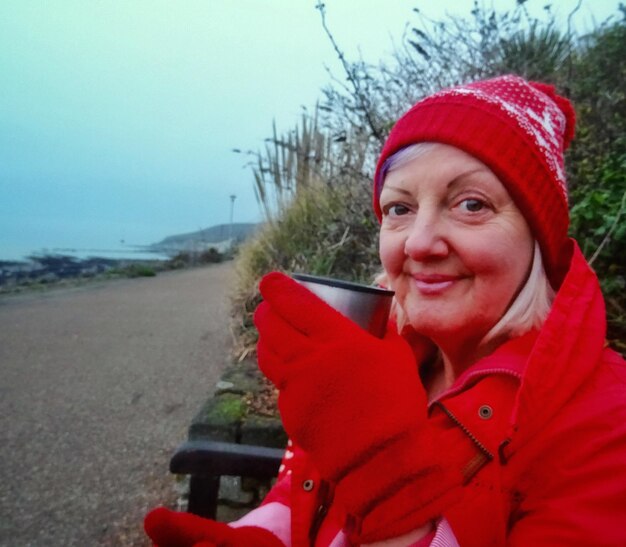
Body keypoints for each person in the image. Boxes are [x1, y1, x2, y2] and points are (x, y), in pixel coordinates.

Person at [144, 75, 626, 546]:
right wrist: (261, 530)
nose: (419, 242)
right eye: (399, 208)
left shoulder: (606, 425)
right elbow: (303, 489)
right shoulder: (373, 355)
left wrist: (390, 490)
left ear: (537, 239)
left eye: (471, 204)